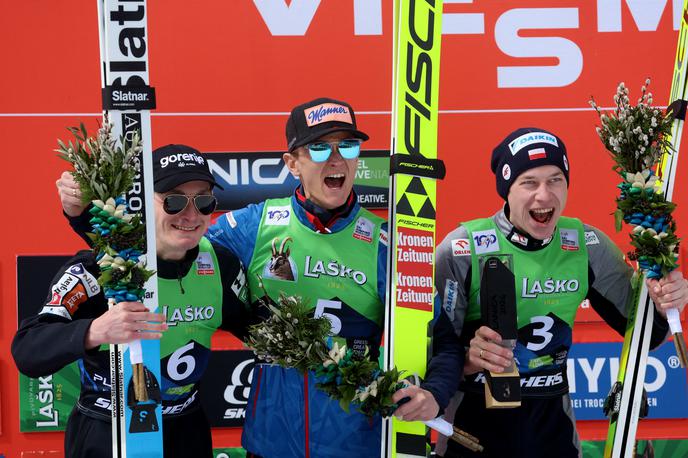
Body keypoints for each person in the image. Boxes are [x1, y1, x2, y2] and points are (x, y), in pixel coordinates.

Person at [391, 127, 688, 457]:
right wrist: (467, 360)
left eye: (555, 179)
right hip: (473, 426)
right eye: (529, 182)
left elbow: (644, 334)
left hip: (553, 430)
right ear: (507, 189)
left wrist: (664, 304)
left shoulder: (587, 245)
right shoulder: (462, 249)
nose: (544, 195)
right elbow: (432, 351)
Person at [13, 145, 253, 458]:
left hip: (185, 431)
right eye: (174, 200)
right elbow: (28, 349)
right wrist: (95, 330)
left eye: (204, 200)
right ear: (141, 203)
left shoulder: (220, 264)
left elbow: (257, 327)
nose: (191, 215)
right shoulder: (98, 269)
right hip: (106, 432)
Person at [205, 97, 388, 457]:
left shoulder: (386, 242)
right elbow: (178, 255)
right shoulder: (254, 225)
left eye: (348, 146)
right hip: (271, 439)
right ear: (292, 163)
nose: (336, 160)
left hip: (356, 442)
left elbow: (434, 334)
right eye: (319, 148)